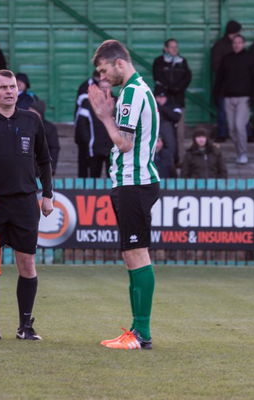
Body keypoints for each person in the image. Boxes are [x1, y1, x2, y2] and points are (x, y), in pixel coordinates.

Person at [0, 69, 53, 341]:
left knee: (27, 263)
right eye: (3, 87)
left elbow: (44, 160)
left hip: (25, 202)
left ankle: (25, 326)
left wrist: (47, 194)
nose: (9, 91)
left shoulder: (31, 120)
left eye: (12, 86)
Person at [88, 39, 160, 350]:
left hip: (134, 182)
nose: (103, 78)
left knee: (137, 253)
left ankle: (141, 332)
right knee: (132, 254)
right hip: (133, 182)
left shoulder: (131, 91)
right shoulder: (138, 89)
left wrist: (104, 116)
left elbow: (125, 143)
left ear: (119, 63)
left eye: (104, 70)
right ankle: (136, 330)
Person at [214, 34, 253, 164]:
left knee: (239, 126)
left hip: (244, 98)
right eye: (235, 42)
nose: (237, 45)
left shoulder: (250, 58)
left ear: (243, 44)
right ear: (232, 44)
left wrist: (253, 97)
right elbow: (220, 78)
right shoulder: (226, 59)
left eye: (239, 42)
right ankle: (239, 152)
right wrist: (217, 94)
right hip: (228, 98)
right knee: (231, 128)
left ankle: (243, 153)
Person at [152, 38, 192, 151]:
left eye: (176, 47)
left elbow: (187, 78)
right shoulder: (159, 61)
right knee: (162, 131)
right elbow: (158, 78)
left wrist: (177, 88)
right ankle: (163, 158)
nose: (175, 49)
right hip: (162, 102)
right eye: (172, 47)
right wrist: (168, 89)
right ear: (166, 48)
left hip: (178, 100)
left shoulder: (182, 61)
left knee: (180, 132)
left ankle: (179, 159)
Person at [74, 73, 115, 178]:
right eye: (102, 87)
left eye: (107, 87)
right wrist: (88, 142)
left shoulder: (118, 102)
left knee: (113, 178)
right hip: (94, 147)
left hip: (113, 148)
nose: (105, 90)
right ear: (98, 88)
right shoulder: (88, 103)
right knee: (94, 178)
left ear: (111, 87)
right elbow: (82, 125)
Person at [211, 20, 242, 143]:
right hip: (224, 86)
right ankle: (222, 133)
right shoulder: (221, 46)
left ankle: (225, 134)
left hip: (235, 86)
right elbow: (216, 66)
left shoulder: (221, 45)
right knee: (223, 111)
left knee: (239, 112)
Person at [29, 100, 60, 176]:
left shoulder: (50, 128)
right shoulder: (24, 126)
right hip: (27, 168)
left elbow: (54, 148)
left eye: (33, 112)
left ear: (40, 114)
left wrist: (51, 167)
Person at [154, 87, 182, 167]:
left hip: (170, 133)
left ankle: (173, 161)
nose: (160, 99)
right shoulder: (152, 106)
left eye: (162, 97)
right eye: (158, 97)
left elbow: (176, 117)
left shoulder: (173, 105)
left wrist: (162, 108)